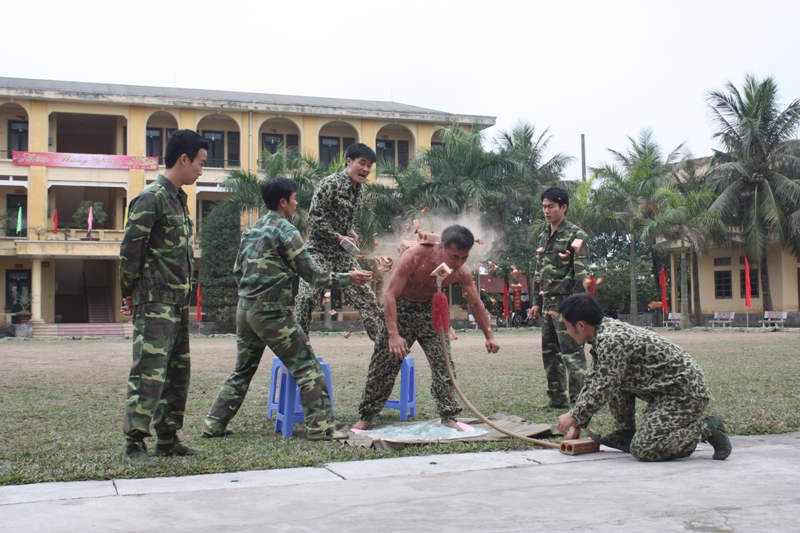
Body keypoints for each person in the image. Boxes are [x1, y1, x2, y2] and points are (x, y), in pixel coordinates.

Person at [202, 177, 374, 441]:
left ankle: (214, 424)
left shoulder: (251, 230)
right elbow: (313, 275)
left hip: (245, 309)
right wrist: (348, 277)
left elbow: (238, 271)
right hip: (270, 312)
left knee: (242, 370)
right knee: (308, 367)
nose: (296, 203)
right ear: (283, 202)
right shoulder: (286, 231)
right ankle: (321, 428)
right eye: (294, 199)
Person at [352, 225, 500, 430]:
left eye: (464, 258)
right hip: (401, 309)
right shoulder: (414, 257)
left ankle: (449, 416)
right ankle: (367, 415)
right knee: (383, 364)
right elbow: (390, 296)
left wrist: (489, 336)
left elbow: (475, 303)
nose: (458, 263)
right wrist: (394, 336)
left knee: (444, 364)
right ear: (442, 247)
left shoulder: (462, 271)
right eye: (455, 256)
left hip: (431, 312)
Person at [119, 129, 209, 466]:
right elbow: (130, 252)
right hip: (154, 304)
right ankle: (134, 444)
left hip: (176, 303)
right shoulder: (151, 198)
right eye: (200, 163)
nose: (201, 170)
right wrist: (129, 293)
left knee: (177, 374)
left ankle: (168, 438)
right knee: (149, 374)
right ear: (183, 159)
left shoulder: (178, 199)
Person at [555, 293, 732, 462]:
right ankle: (625, 432)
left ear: (581, 325)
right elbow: (595, 379)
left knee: (645, 448)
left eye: (567, 326)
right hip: (666, 390)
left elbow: (604, 387)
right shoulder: (604, 332)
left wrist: (574, 415)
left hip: (684, 394)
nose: (567, 332)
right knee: (614, 380)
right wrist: (577, 423)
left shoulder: (611, 340)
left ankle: (708, 427)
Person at [294, 143, 381, 340]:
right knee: (307, 297)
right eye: (362, 163)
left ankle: (385, 347)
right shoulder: (329, 184)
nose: (366, 169)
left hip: (342, 254)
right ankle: (297, 346)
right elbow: (315, 219)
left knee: (366, 298)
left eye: (370, 166)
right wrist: (338, 236)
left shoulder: (360, 190)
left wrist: (350, 231)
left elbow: (343, 219)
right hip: (319, 251)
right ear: (349, 162)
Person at [529, 186, 590, 408]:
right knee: (550, 355)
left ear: (563, 207)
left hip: (567, 305)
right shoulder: (543, 235)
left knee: (572, 355)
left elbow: (581, 274)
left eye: (551, 206)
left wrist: (576, 308)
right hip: (547, 307)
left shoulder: (576, 235)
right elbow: (538, 273)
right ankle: (557, 400)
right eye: (544, 206)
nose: (546, 211)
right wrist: (536, 303)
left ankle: (579, 404)